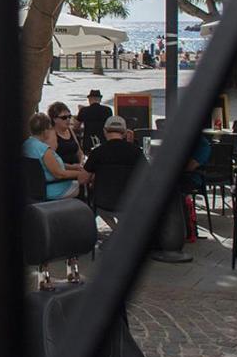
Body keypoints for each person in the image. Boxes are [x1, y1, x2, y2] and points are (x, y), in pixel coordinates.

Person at [24, 112, 92, 288]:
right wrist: (80, 174)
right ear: (46, 130)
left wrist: (73, 168)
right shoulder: (43, 149)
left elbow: (57, 168)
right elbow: (58, 173)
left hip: (35, 191)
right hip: (53, 190)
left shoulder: (26, 146)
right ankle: (82, 228)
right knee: (86, 187)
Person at [83, 116, 146, 230]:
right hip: (130, 202)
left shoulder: (97, 152)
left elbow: (82, 179)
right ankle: (121, 231)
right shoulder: (136, 151)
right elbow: (148, 177)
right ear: (125, 133)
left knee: (97, 204)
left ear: (105, 131)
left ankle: (117, 230)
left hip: (104, 203)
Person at [46, 101, 85, 171]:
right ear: (54, 119)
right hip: (64, 171)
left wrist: (82, 162)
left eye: (69, 116)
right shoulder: (52, 134)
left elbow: (79, 151)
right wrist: (72, 167)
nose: (68, 119)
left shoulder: (69, 130)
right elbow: (51, 161)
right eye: (64, 117)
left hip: (78, 168)